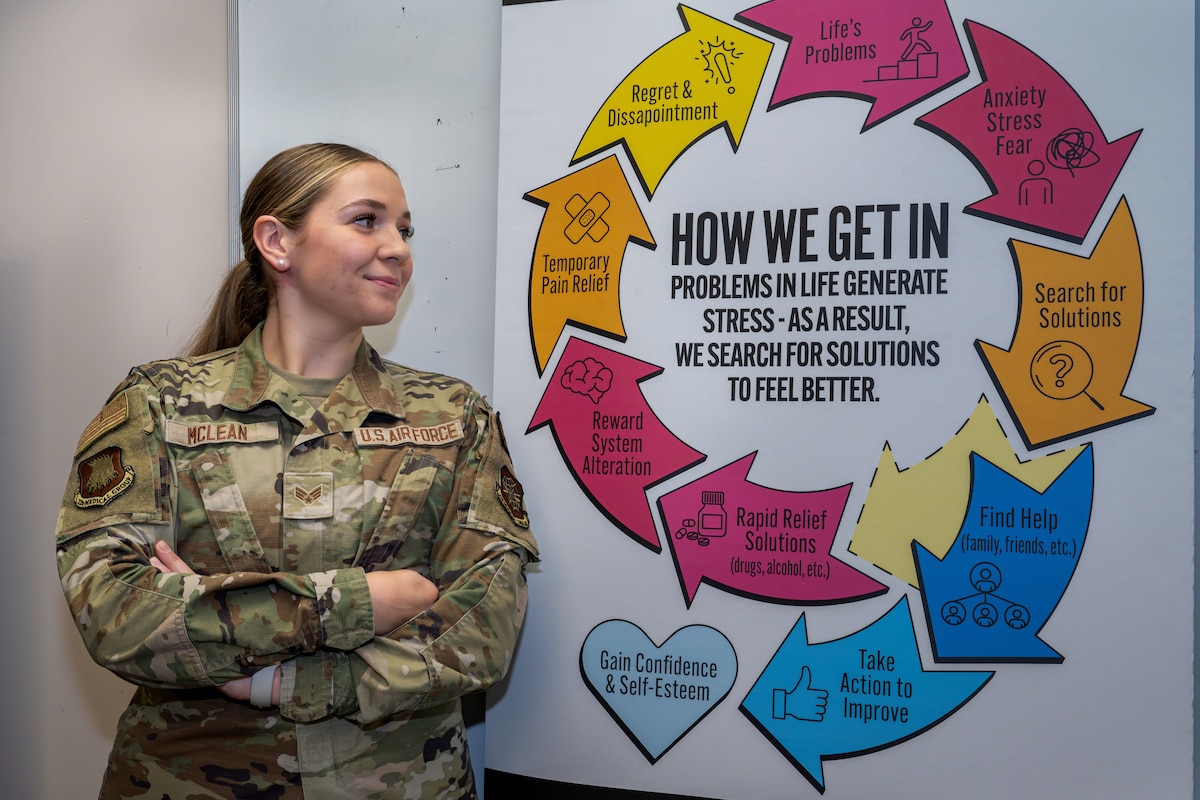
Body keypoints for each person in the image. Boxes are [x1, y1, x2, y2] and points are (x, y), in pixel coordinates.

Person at [54, 142, 539, 799]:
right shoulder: (158, 405)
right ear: (277, 242)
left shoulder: (453, 415)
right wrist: (359, 604)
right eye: (367, 220)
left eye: (405, 229)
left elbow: (485, 625)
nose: (398, 248)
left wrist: (274, 675)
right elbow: (114, 610)